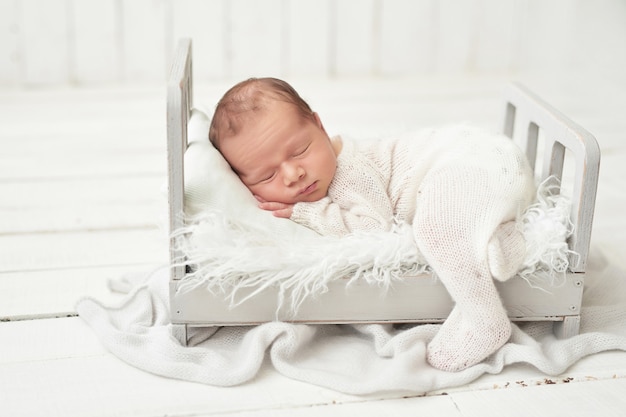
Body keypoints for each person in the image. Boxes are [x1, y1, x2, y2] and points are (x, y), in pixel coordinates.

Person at [209, 77, 535, 372]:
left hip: (476, 160)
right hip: (496, 175)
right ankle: (497, 237)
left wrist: (307, 213)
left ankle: (484, 321)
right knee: (456, 218)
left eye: (301, 150)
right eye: (268, 176)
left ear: (320, 127)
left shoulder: (351, 171)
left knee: (435, 231)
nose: (294, 174)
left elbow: (373, 230)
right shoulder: (318, 171)